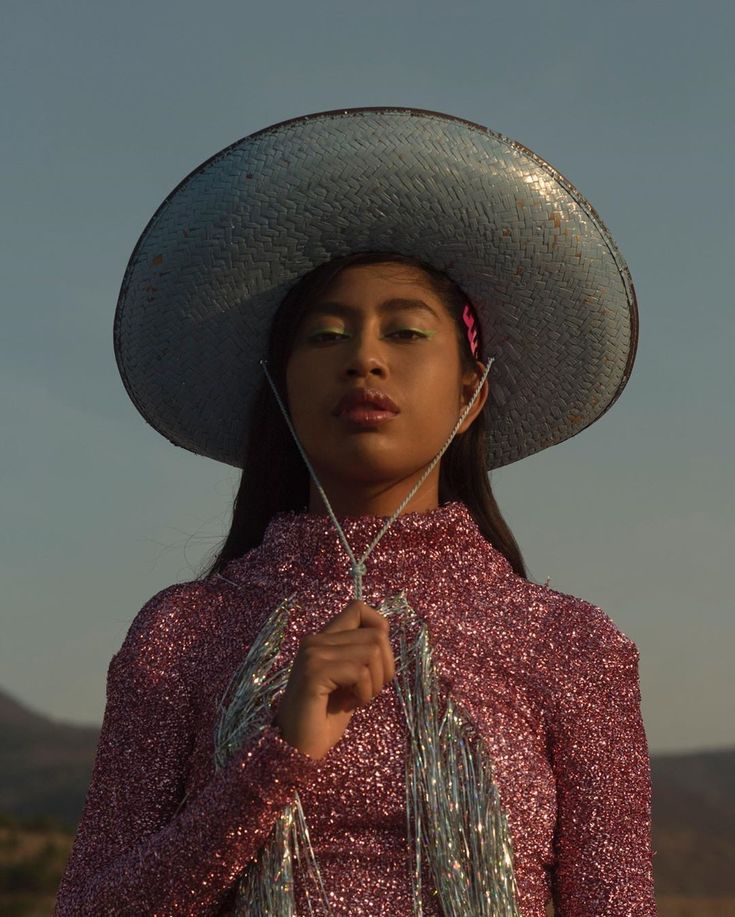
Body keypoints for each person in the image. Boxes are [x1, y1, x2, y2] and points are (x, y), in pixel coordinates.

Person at [55, 108, 657, 916]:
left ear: (471, 391)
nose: (364, 357)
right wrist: (277, 759)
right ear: (282, 390)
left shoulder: (571, 645)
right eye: (325, 337)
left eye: (405, 332)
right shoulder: (182, 635)